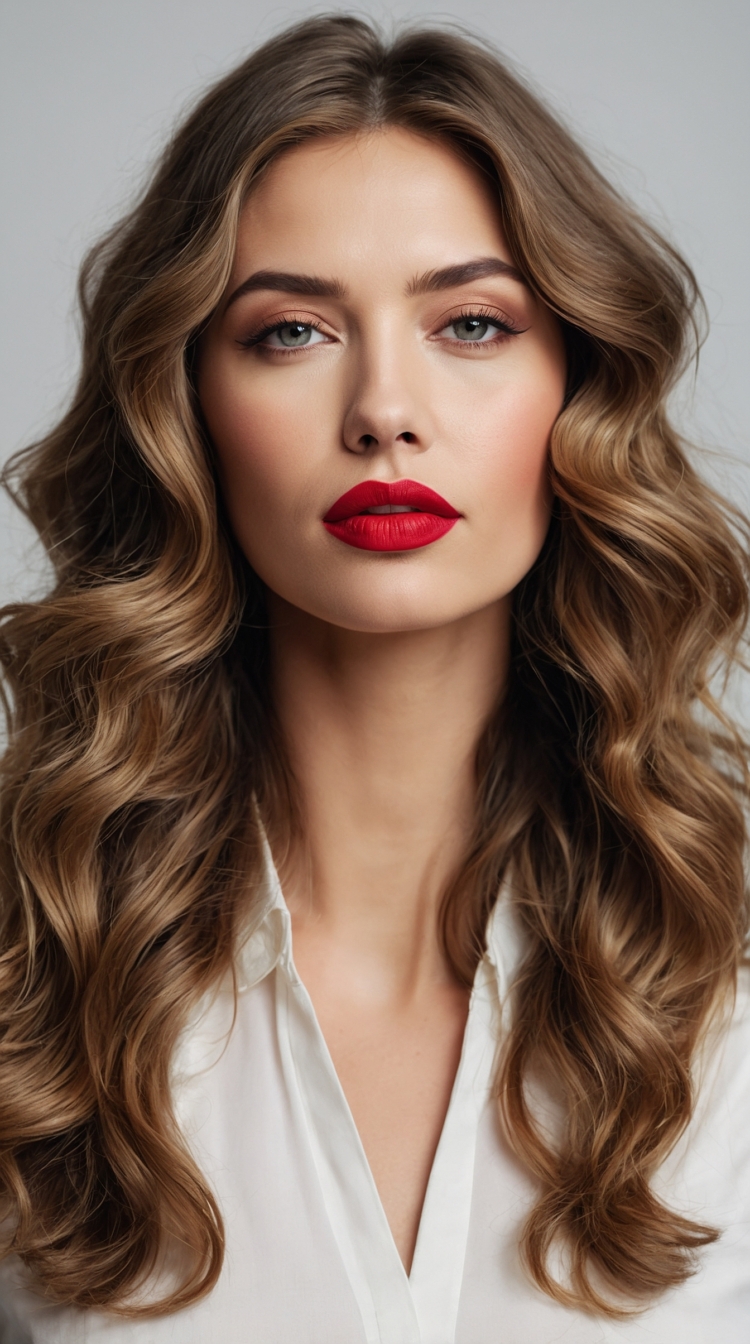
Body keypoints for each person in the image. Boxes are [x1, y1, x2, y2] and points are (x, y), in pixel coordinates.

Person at [0, 13, 748, 1343]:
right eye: (289, 333)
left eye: (469, 323)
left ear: (575, 384)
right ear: (182, 402)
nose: (383, 409)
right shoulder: (28, 959)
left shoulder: (729, 970)